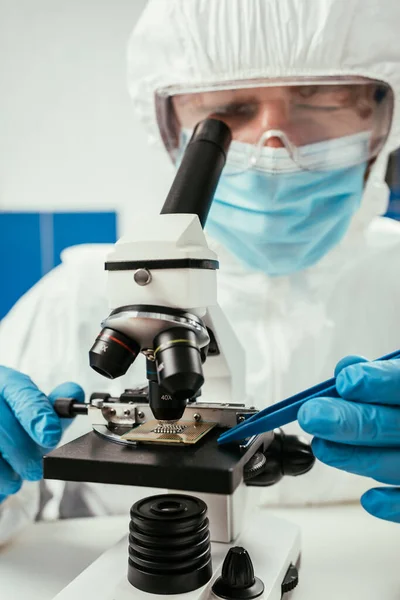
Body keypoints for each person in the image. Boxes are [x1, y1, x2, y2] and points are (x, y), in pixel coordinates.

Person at [1, 0, 400, 546]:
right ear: (169, 129)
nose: (273, 145)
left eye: (320, 98)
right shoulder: (76, 292)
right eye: (231, 109)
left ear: (383, 116)